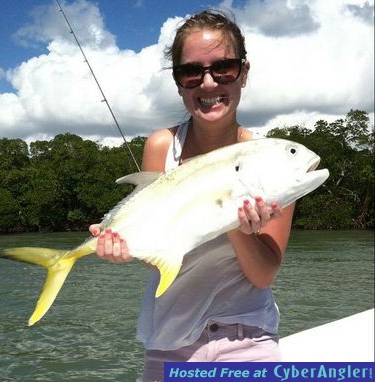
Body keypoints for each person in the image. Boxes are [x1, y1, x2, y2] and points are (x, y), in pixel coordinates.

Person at [89, 9, 295, 381]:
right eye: (191, 72)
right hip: (170, 343)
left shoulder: (271, 163)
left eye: (224, 68)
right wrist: (124, 249)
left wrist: (234, 219)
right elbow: (161, 257)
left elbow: (263, 276)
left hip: (248, 339)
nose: (208, 83)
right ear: (178, 81)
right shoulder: (161, 146)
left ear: (243, 73)